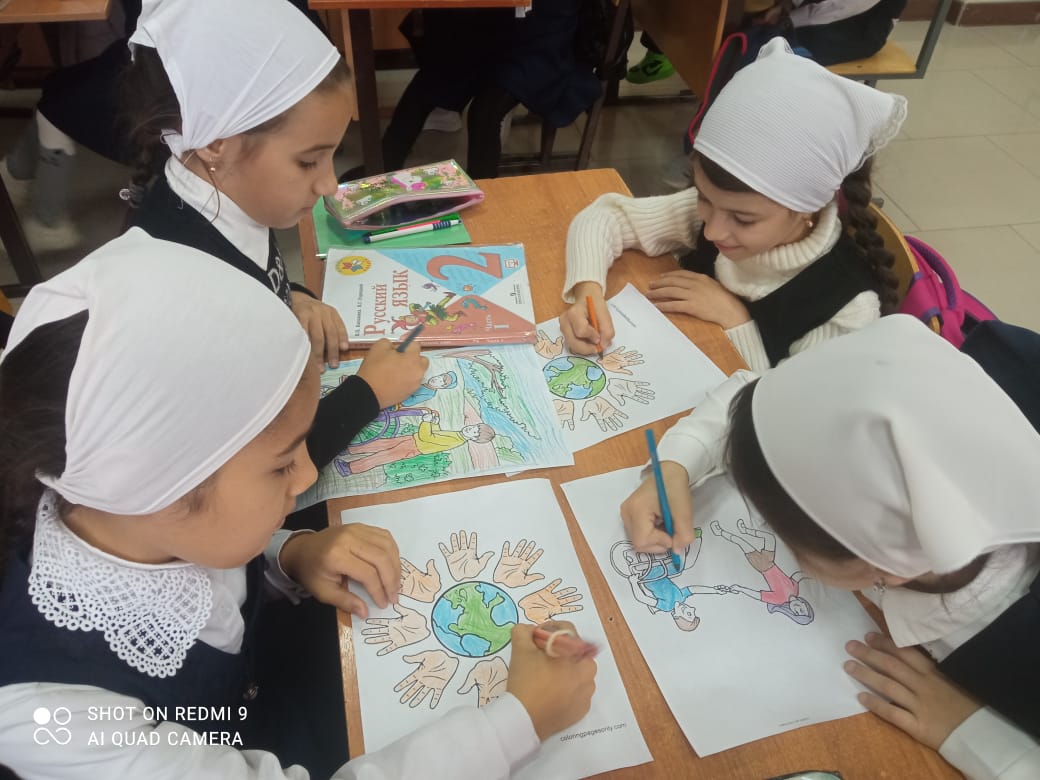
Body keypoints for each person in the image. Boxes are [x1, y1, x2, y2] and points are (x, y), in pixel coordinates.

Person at [0, 230, 598, 779]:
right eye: (283, 463)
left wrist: (287, 557)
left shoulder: (133, 516)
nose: (308, 473)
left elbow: (202, 570)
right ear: (161, 491)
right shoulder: (53, 720)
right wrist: (513, 726)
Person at [623, 315, 1040, 779]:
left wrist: (975, 736)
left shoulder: (1015, 653)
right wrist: (675, 466)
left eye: (778, 527)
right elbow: (762, 397)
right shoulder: (948, 396)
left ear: (882, 567)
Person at [122, 0, 427, 475]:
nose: (329, 185)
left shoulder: (221, 195)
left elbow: (255, 271)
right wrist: (369, 392)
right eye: (308, 162)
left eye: (332, 157)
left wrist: (293, 297)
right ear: (216, 143)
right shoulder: (189, 295)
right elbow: (261, 471)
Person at [560, 38, 906, 373]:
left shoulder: (846, 309)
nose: (713, 231)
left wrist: (735, 320)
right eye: (703, 196)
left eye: (743, 219)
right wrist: (587, 291)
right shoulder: (722, 210)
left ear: (806, 209)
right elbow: (606, 217)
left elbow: (790, 405)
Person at [375, 2, 600, 179]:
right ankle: (382, 168)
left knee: (484, 112)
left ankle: (485, 197)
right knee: (431, 78)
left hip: (543, 42)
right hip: (495, 27)